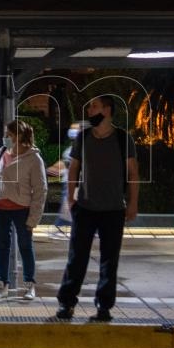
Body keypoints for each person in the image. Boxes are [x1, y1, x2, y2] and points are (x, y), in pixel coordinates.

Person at [56, 95, 139, 321]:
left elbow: (133, 173)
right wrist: (72, 200)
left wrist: (132, 203)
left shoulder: (123, 139)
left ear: (107, 110)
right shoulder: (83, 138)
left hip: (113, 209)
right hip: (85, 207)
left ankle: (104, 306)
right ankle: (67, 303)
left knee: (109, 260)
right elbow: (73, 169)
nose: (90, 111)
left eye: (94, 106)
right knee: (77, 258)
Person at [0, 120, 48, 300]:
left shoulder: (34, 159)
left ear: (18, 136)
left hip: (21, 208)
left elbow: (40, 190)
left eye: (8, 135)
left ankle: (29, 285)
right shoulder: (2, 152)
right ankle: (2, 285)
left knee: (25, 246)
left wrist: (33, 218)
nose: (5, 138)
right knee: (1, 246)